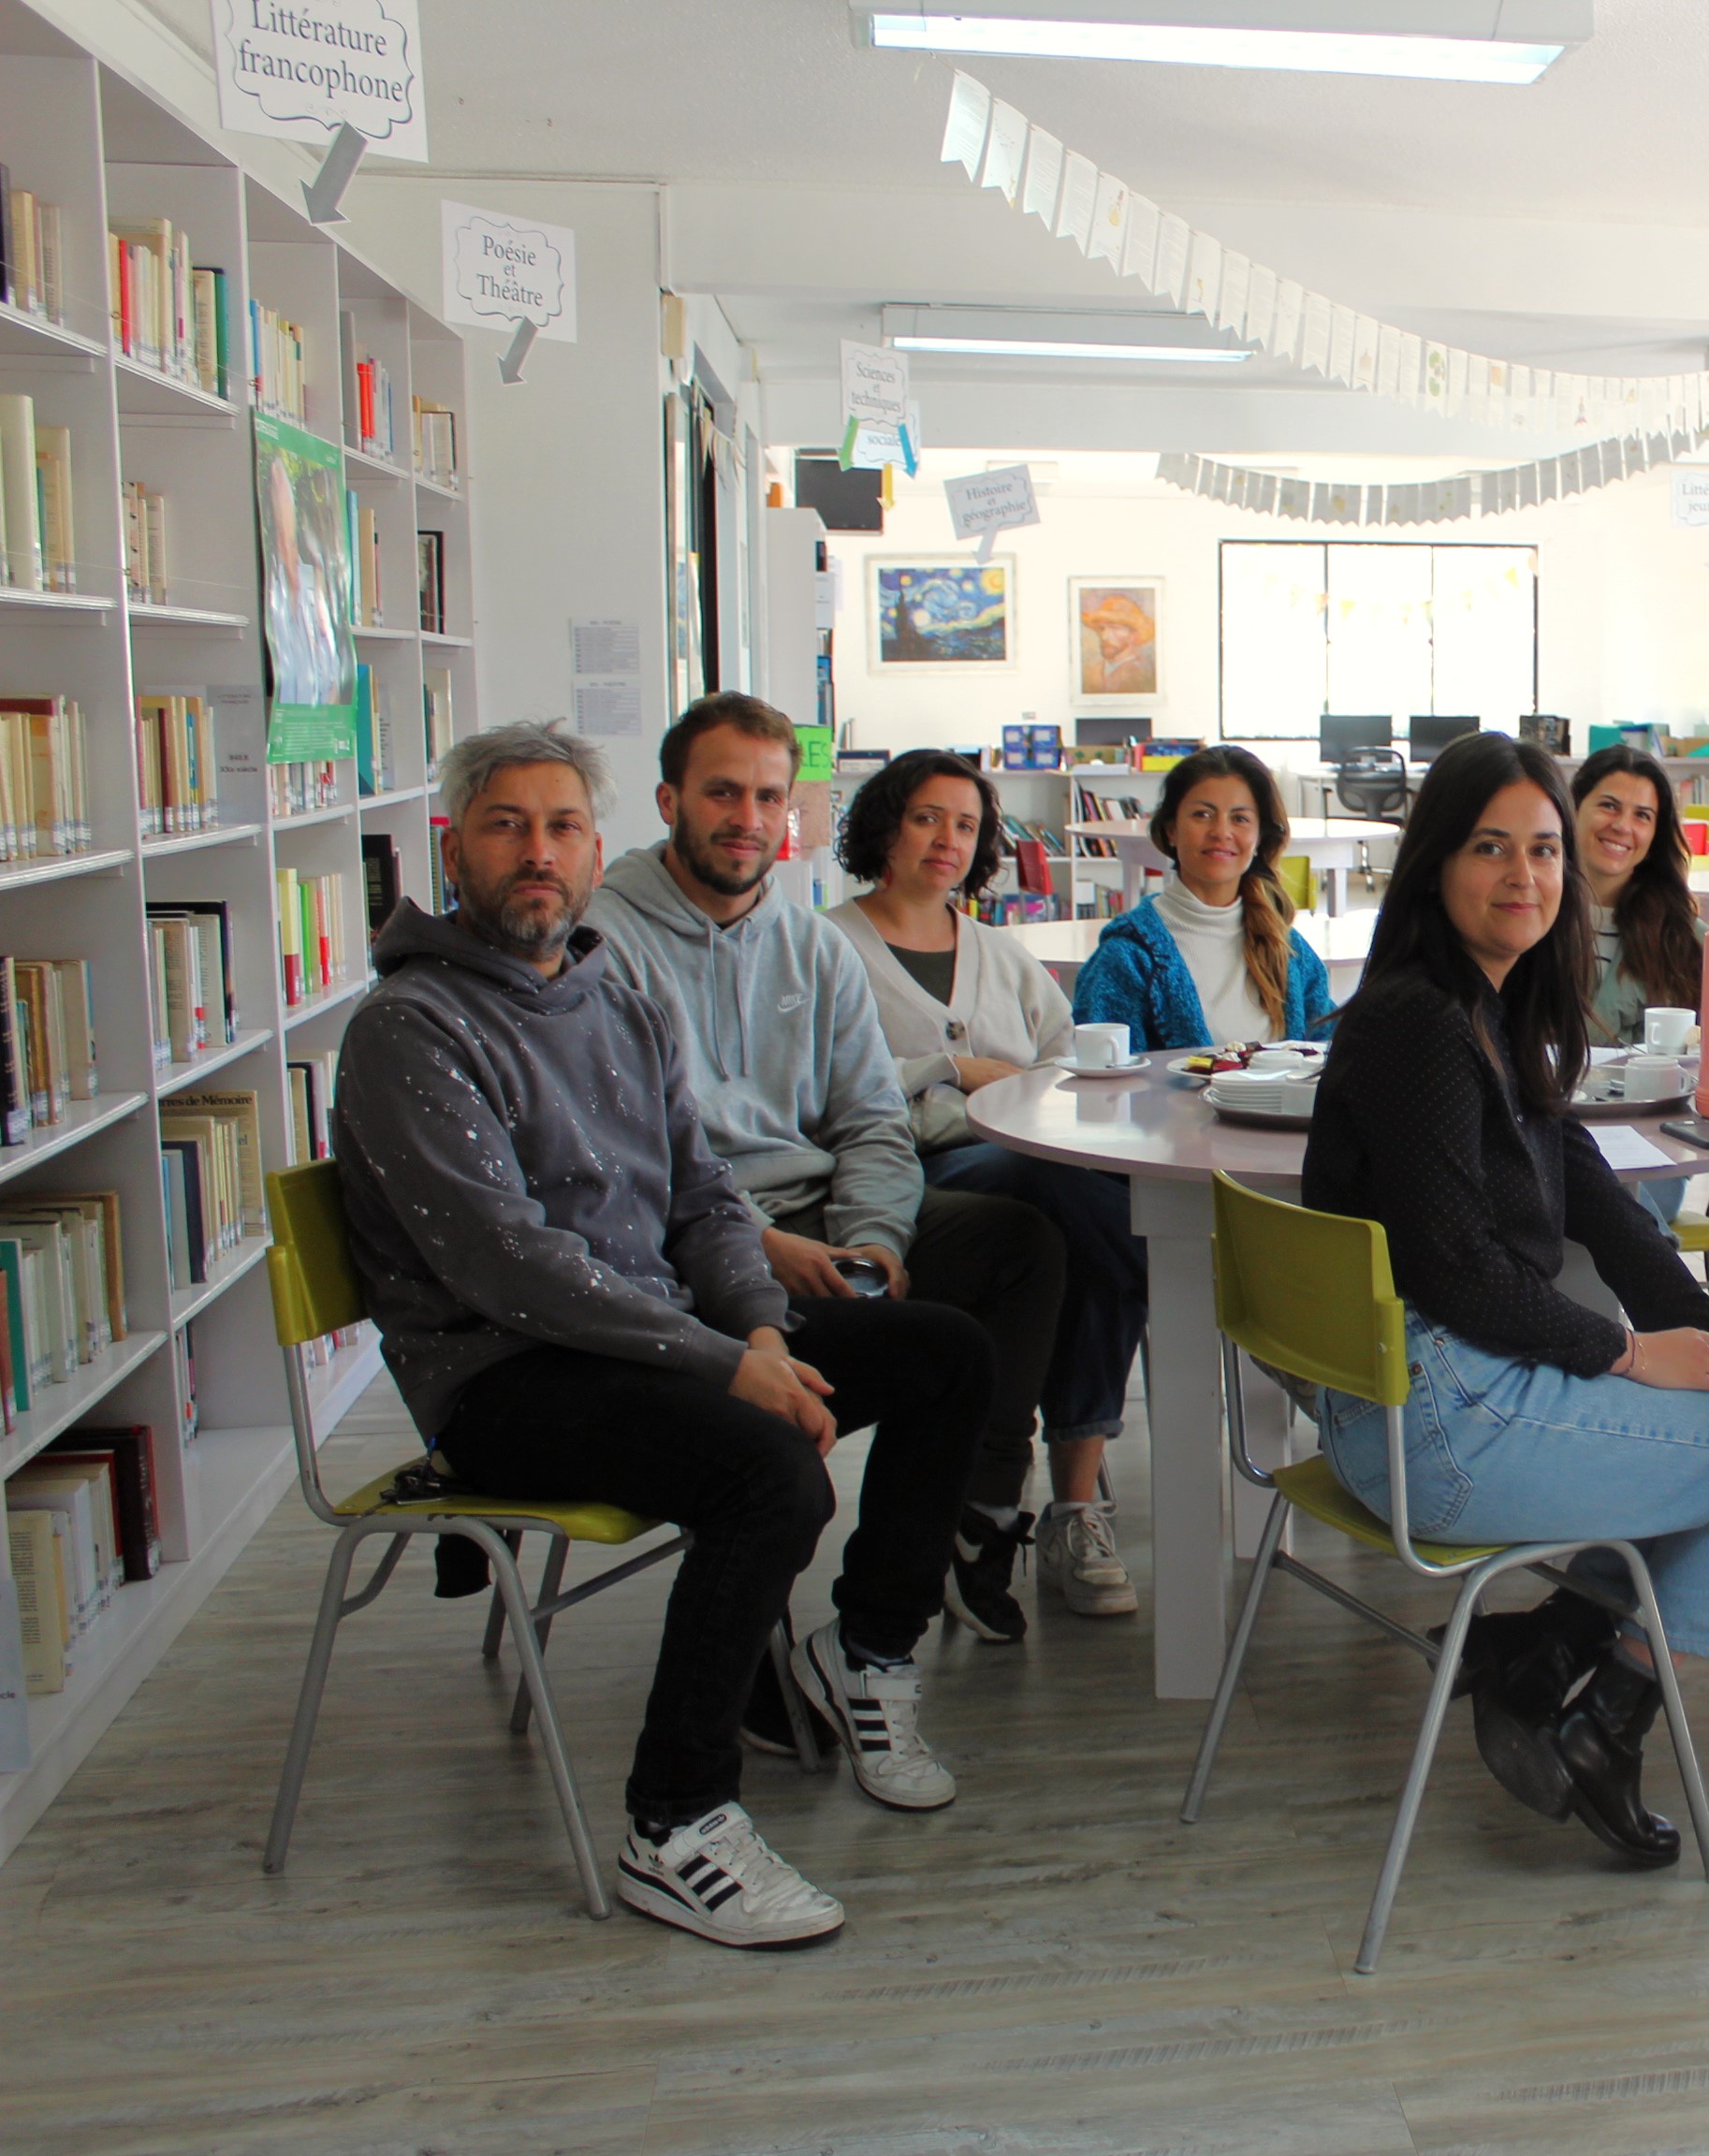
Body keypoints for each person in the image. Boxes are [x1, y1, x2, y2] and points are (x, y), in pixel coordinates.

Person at [333, 723, 994, 1948]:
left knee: (942, 1350)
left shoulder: (610, 990)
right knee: (767, 1471)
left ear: (596, 848)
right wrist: (727, 1360)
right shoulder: (410, 1028)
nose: (538, 852)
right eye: (506, 826)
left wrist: (752, 1316)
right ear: (454, 848)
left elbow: (700, 1196)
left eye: (561, 826)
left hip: (657, 1339)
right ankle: (677, 1826)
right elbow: (509, 1264)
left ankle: (869, 1651)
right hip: (505, 1376)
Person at [1303, 731, 1709, 1867]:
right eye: (1491, 848)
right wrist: (1634, 1357)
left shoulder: (1490, 1012)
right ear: (1436, 859)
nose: (1525, 875)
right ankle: (1603, 1722)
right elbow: (1456, 1271)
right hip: (1433, 1418)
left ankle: (1548, 1658)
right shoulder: (1420, 1024)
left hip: (1406, 1403)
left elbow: (1603, 1212)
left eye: (1543, 849)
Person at [585, 693, 1070, 1656]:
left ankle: (971, 1516)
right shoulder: (604, 944)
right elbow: (619, 1160)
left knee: (1023, 1242)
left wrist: (871, 1238)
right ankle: (765, 1613)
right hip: (696, 1246)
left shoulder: (810, 946)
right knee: (923, 1355)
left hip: (819, 1220)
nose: (748, 818)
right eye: (723, 792)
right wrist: (764, 1244)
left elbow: (871, 1120)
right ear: (668, 798)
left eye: (769, 796)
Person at [828, 749, 1145, 1623]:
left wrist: (994, 1084)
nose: (947, 840)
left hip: (1029, 1173)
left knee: (1078, 1225)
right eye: (928, 817)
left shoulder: (1004, 956)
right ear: (885, 826)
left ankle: (998, 1504)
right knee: (1110, 1220)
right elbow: (825, 1083)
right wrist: (950, 1068)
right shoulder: (826, 944)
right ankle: (1182, 1279)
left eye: (966, 825)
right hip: (903, 1173)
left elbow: (1061, 1070)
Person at [1071, 745, 1337, 1053]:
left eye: (1240, 819)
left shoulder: (1289, 949)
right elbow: (1106, 1082)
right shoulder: (1126, 956)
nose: (1221, 831)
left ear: (1260, 836)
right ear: (1171, 829)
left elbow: (1328, 1055)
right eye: (1203, 814)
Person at [1570, 742, 1705, 1225]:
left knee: (1617, 1216)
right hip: (1550, 1131)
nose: (1623, 826)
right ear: (1572, 807)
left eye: (1642, 815)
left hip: (1652, 1141)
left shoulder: (1687, 938)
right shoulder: (1526, 915)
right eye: (1608, 805)